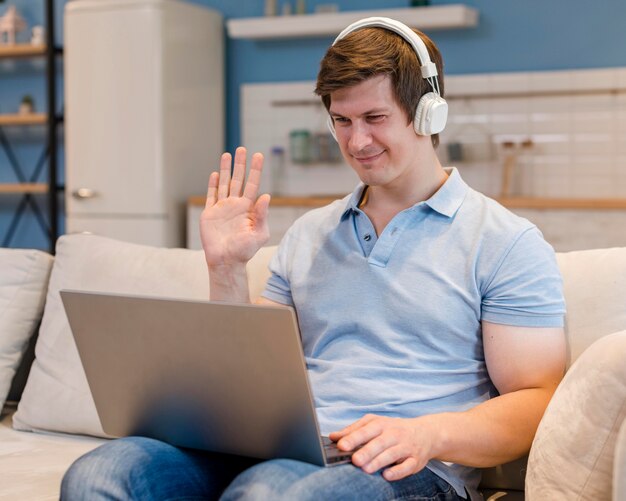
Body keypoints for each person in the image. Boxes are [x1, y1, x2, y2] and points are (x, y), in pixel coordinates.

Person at [61, 17, 566, 501]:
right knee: (102, 473)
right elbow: (247, 371)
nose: (356, 141)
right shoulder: (309, 234)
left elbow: (538, 400)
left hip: (409, 470)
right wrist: (225, 267)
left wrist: (427, 435)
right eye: (341, 121)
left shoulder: (505, 241)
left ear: (429, 112)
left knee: (269, 493)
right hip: (285, 453)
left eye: (374, 118)